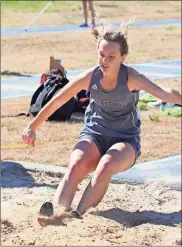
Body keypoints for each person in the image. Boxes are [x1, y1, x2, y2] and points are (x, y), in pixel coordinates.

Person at [22, 21, 181, 226]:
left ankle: (78, 216)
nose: (104, 61)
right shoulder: (91, 76)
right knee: (76, 165)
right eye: (101, 55)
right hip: (94, 135)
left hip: (125, 141)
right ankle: (56, 213)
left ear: (123, 57)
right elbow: (59, 99)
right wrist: (33, 126)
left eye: (111, 57)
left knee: (105, 165)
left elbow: (167, 93)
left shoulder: (132, 78)